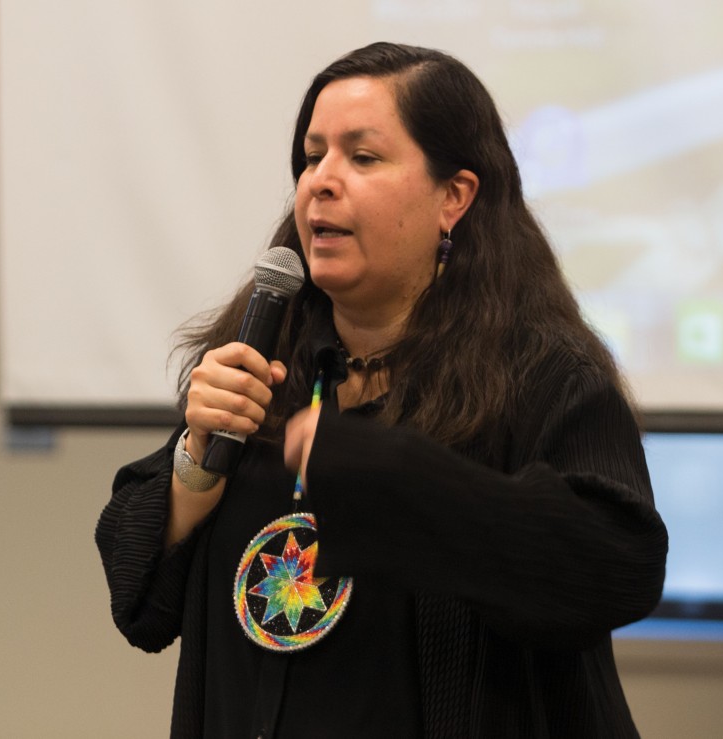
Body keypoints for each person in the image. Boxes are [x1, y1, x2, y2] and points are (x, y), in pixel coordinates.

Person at [96, 42, 668, 738]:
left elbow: (616, 568)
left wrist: (384, 472)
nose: (320, 183)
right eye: (312, 157)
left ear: (453, 197)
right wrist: (194, 463)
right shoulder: (264, 355)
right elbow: (142, 602)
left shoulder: (545, 375)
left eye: (362, 158)